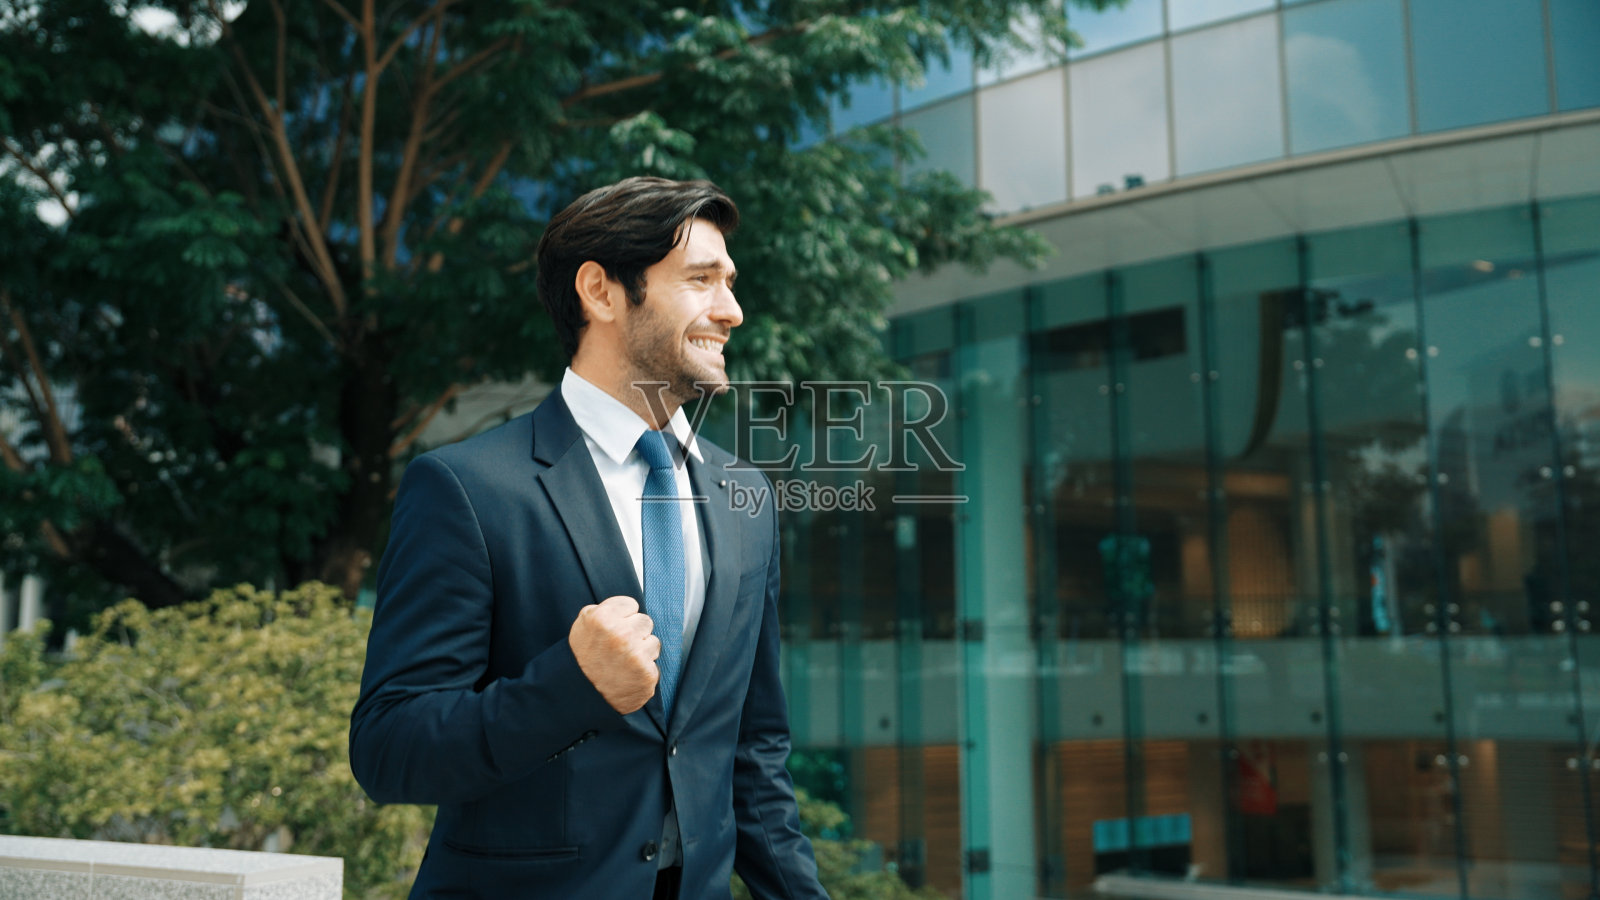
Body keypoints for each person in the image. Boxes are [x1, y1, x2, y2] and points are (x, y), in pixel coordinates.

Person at [350, 177, 828, 900]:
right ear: (600, 292)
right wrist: (571, 685)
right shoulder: (467, 489)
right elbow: (389, 749)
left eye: (729, 283)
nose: (731, 311)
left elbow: (752, 756)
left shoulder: (745, 497)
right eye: (700, 280)